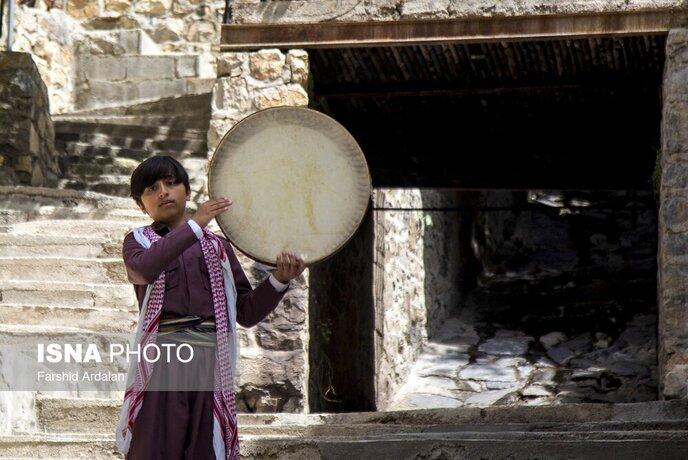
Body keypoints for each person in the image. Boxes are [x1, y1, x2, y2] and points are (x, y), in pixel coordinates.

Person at [114, 155, 306, 459]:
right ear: (141, 205)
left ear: (187, 192)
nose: (163, 192)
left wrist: (279, 280)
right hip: (163, 364)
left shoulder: (218, 247)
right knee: (154, 449)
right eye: (151, 189)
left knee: (204, 450)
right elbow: (146, 270)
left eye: (171, 183)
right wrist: (195, 225)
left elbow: (245, 312)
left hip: (211, 365)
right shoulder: (138, 242)